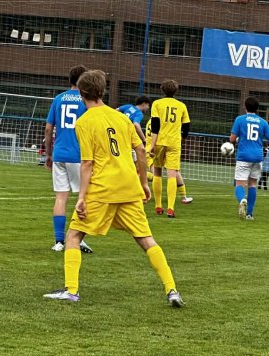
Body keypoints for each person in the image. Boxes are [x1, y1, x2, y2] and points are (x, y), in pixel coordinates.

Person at [43, 69, 184, 307]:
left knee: (74, 235)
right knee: (147, 240)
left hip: (102, 188)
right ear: (102, 91)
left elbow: (87, 163)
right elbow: (140, 150)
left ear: (83, 93)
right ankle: (172, 290)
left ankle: (71, 290)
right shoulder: (121, 117)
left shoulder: (84, 122)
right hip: (128, 186)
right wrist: (142, 182)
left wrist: (82, 197)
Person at [42, 65, 93, 254]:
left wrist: (48, 153)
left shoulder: (58, 98)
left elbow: (48, 129)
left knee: (61, 197)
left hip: (59, 154)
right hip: (79, 155)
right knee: (85, 197)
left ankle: (59, 241)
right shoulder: (85, 101)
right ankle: (77, 239)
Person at [230, 96, 269, 220]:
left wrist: (236, 140)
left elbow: (232, 139)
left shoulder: (240, 119)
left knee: (239, 184)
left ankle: (242, 199)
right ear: (257, 108)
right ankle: (249, 214)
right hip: (258, 158)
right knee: (252, 185)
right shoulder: (263, 122)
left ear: (245, 107)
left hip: (243, 156)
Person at [148, 80, 191, 218]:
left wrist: (152, 145)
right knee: (172, 174)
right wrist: (181, 140)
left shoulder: (157, 104)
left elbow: (155, 126)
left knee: (157, 173)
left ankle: (158, 205)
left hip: (160, 141)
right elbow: (186, 129)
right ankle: (171, 208)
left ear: (162, 90)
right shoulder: (181, 106)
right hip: (174, 143)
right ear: (176, 90)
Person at [145, 118, 193, 204]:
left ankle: (141, 177)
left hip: (150, 150)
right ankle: (184, 197)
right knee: (173, 171)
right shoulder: (161, 121)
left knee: (156, 175)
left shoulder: (150, 121)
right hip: (160, 147)